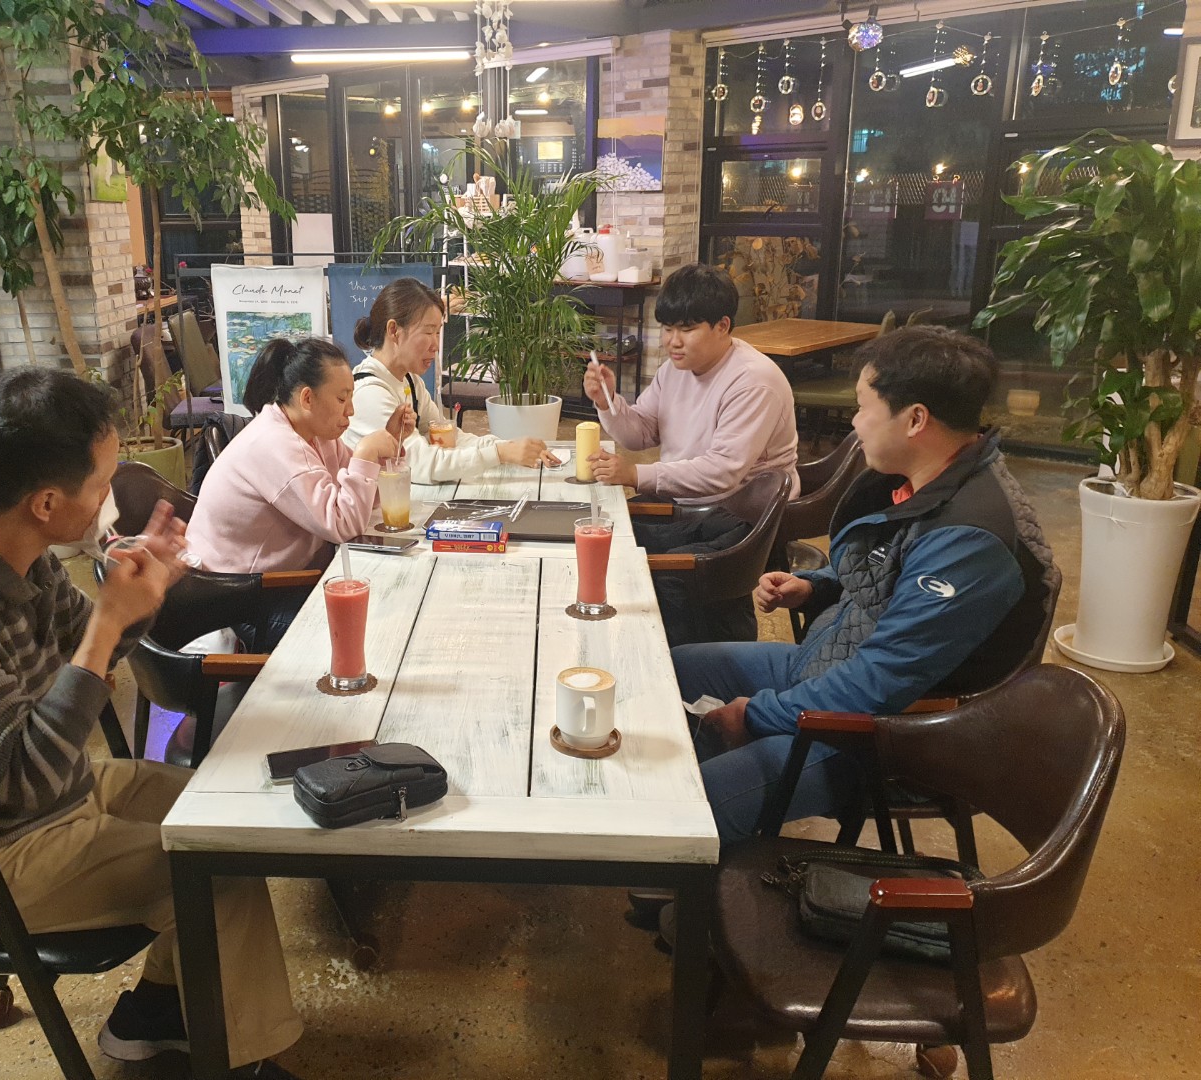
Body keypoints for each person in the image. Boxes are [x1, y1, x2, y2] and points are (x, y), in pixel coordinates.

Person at [0, 368, 306, 1079]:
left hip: (52, 797)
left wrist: (140, 598)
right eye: (100, 486)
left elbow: (88, 650)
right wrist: (104, 626)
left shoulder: (16, 555)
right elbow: (26, 774)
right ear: (45, 502)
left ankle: (158, 1010)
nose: (108, 501)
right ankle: (238, 1061)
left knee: (227, 815)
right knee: (212, 866)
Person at [670, 326, 1057, 845]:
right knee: (670, 667)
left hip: (892, 736)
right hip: (831, 663)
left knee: (691, 808)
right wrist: (815, 586)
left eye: (862, 406)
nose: (854, 422)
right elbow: (890, 570)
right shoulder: (927, 478)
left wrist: (756, 714)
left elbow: (878, 684)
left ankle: (687, 866)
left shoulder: (970, 539)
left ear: (915, 419)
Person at [186, 336, 403, 642]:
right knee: (367, 624)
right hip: (235, 601)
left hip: (278, 583)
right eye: (341, 399)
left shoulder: (316, 435)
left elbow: (366, 500)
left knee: (385, 601)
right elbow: (342, 525)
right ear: (307, 398)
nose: (351, 411)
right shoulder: (275, 443)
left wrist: (385, 449)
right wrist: (366, 453)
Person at [582, 263, 799, 504]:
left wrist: (635, 474)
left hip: (742, 511)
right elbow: (640, 434)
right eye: (667, 329)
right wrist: (607, 400)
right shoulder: (673, 370)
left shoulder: (754, 381)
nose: (673, 341)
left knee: (612, 523)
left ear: (722, 326)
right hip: (683, 498)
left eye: (687, 330)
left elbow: (722, 471)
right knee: (597, 517)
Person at [343, 276, 559, 479]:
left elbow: (447, 437)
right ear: (393, 330)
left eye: (438, 332)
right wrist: (499, 453)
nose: (436, 345)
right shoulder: (369, 394)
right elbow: (421, 464)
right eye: (428, 332)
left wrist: (508, 446)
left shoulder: (410, 380)